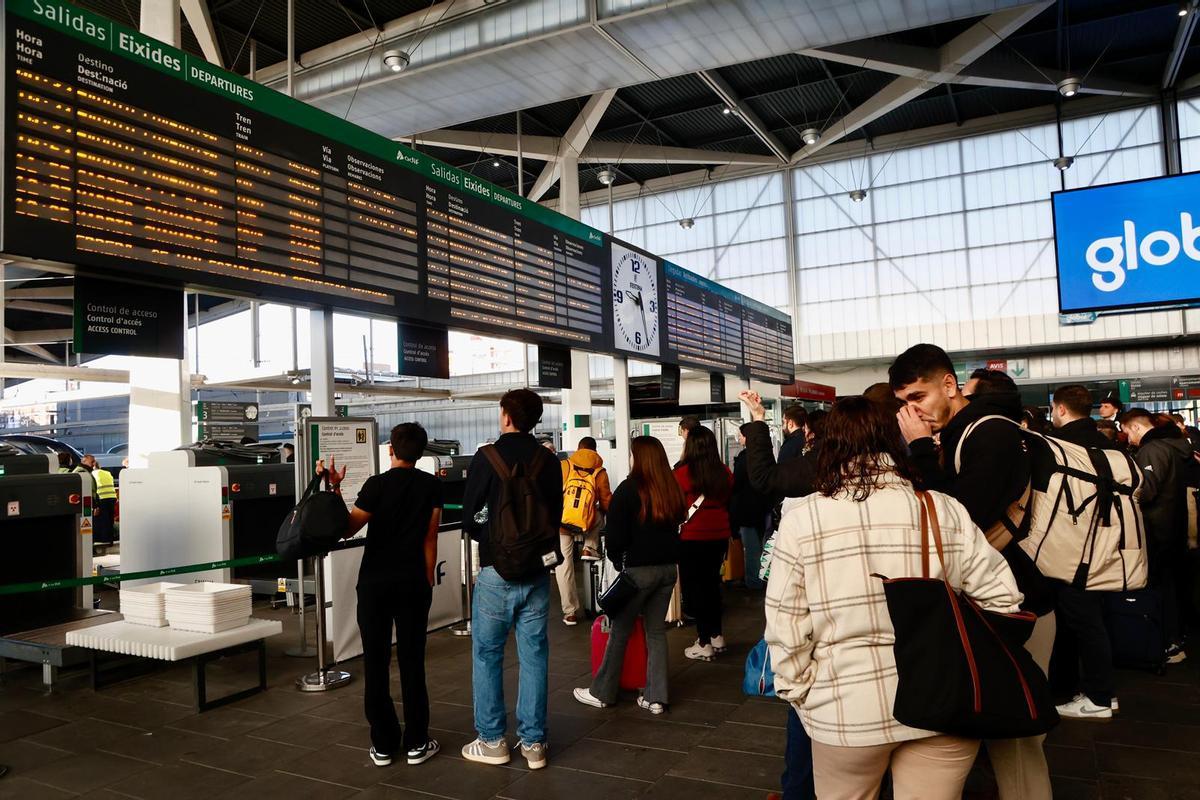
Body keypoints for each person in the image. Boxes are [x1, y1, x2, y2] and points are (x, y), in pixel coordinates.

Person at [765, 396, 1023, 800]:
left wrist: (802, 693)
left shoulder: (805, 520)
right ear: (895, 441)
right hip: (944, 701)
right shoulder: (943, 509)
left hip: (845, 708)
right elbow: (1004, 599)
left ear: (828, 447)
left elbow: (786, 624)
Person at [889, 343, 1053, 800]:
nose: (913, 412)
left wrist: (920, 448)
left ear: (949, 385)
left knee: (1016, 738)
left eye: (918, 397)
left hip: (1020, 603)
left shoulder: (990, 433)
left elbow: (959, 517)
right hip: (989, 599)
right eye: (904, 404)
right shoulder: (961, 433)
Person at [317, 423, 442, 768]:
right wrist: (427, 579)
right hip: (413, 582)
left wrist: (335, 488)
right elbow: (430, 538)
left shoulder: (376, 485)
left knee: (375, 662)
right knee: (413, 662)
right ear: (421, 452)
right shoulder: (432, 485)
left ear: (391, 450)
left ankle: (384, 744)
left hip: (375, 583)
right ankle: (417, 742)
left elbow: (347, 529)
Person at [460, 389, 563, 770]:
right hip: (537, 570)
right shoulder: (548, 460)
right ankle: (534, 744)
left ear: (506, 416)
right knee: (534, 654)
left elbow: (471, 518)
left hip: (496, 571)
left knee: (488, 654)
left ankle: (492, 741)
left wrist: (495, 538)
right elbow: (555, 512)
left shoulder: (486, 457)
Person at [573, 436, 685, 714]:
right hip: (668, 570)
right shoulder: (670, 487)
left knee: (620, 630)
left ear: (640, 458)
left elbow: (615, 536)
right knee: (656, 632)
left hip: (638, 572)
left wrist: (617, 560)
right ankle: (656, 698)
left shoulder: (628, 489)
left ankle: (602, 692)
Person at [1046, 384, 1119, 720]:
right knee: (1091, 618)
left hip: (1070, 542)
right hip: (1105, 539)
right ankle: (1101, 691)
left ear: (1061, 409)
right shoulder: (1107, 444)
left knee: (1081, 620)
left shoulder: (1058, 445)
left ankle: (1099, 697)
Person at [1121, 408, 1194, 664]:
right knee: (1171, 586)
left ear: (1136, 427)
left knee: (1161, 587)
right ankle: (1175, 639)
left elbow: (1147, 490)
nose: (1128, 438)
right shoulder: (1172, 447)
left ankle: (1169, 642)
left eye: (1127, 432)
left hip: (1157, 528)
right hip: (1173, 526)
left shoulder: (1151, 450)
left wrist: (1126, 497)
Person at [674, 425, 733, 660]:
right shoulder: (724, 472)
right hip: (719, 536)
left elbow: (675, 505)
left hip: (692, 537)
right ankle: (717, 635)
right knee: (712, 584)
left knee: (695, 589)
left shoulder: (681, 474)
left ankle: (703, 641)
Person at [556, 436, 613, 625]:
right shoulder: (599, 471)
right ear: (595, 451)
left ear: (578, 449)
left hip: (562, 522)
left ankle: (570, 612)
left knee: (564, 566)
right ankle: (589, 547)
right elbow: (606, 501)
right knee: (599, 517)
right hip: (586, 522)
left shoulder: (564, 465)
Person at [731, 424, 772, 591]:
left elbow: (736, 483)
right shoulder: (763, 455)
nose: (739, 439)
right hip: (763, 507)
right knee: (762, 546)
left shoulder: (744, 458)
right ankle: (763, 578)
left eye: (741, 435)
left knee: (752, 548)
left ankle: (753, 581)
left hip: (747, 509)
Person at [83, 455, 118, 545]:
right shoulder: (107, 473)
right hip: (112, 497)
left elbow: (94, 488)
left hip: (102, 498)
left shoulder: (93, 474)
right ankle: (110, 539)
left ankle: (102, 539)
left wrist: (95, 504)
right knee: (110, 520)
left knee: (102, 520)